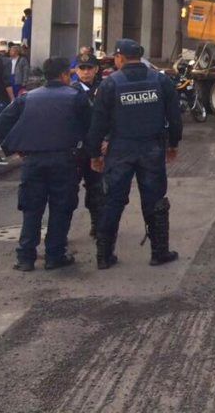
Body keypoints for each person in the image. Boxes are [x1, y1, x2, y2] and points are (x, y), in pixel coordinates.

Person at [86, 39, 182, 269]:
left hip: (120, 150)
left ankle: (104, 256)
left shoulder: (110, 84)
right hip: (152, 149)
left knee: (112, 202)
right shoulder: (160, 80)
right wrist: (173, 145)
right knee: (155, 201)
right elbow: (175, 116)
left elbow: (97, 124)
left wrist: (94, 154)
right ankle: (159, 252)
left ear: (120, 57)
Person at [0, 56, 90, 272]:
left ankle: (25, 258)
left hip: (33, 161)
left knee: (32, 209)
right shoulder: (76, 97)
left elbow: (1, 122)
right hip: (64, 161)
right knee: (61, 208)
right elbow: (90, 127)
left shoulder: (28, 98)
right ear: (65, 74)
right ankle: (54, 255)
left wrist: (15, 147)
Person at [72, 52, 104, 238]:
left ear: (96, 69)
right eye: (82, 68)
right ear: (76, 70)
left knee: (97, 190)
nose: (85, 72)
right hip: (76, 150)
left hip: (96, 149)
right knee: (68, 191)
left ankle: (97, 225)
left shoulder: (104, 90)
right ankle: (61, 232)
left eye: (89, 68)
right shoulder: (70, 91)